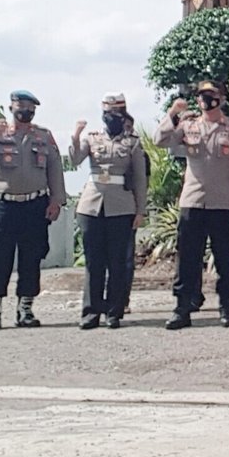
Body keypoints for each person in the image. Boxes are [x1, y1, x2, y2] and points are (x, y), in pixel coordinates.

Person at [156, 80, 229, 331]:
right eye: (201, 96)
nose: (206, 100)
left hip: (223, 202)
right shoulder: (188, 125)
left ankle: (227, 306)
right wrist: (172, 114)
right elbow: (160, 140)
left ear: (221, 98)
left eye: (211, 95)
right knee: (188, 257)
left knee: (224, 258)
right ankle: (182, 307)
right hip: (193, 200)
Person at [0, 90, 66, 331]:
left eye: (30, 107)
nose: (25, 110)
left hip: (35, 204)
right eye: (21, 106)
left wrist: (56, 200)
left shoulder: (44, 136)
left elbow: (55, 169)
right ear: (11, 107)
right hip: (4, 205)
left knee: (32, 256)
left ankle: (25, 309)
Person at [69, 93, 147, 331]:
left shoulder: (132, 142)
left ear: (123, 116)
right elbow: (74, 160)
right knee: (94, 262)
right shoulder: (93, 139)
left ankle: (114, 312)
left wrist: (140, 210)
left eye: (116, 114)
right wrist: (75, 136)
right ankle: (91, 312)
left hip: (121, 206)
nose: (111, 118)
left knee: (116, 262)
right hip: (91, 205)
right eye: (107, 114)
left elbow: (140, 178)